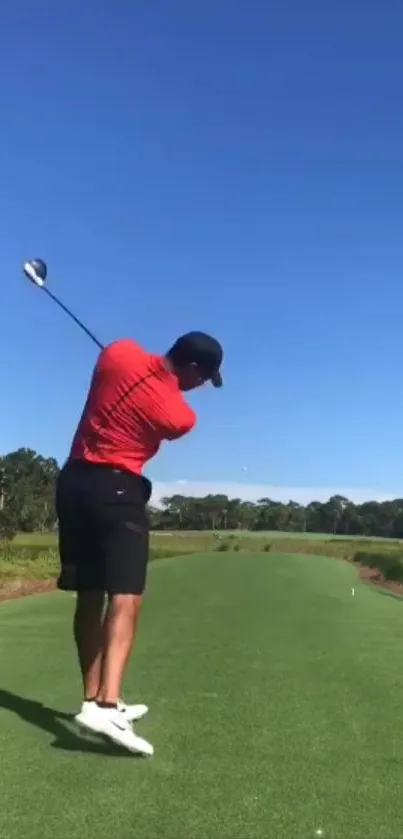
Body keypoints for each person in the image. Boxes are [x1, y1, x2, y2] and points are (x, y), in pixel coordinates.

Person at [55, 330, 223, 756]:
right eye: (202, 379)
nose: (199, 387)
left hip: (72, 484)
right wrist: (164, 386)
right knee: (127, 596)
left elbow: (125, 361)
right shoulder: (179, 414)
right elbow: (170, 416)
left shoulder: (118, 352)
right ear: (192, 368)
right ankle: (107, 705)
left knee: (90, 594)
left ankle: (93, 698)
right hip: (117, 490)